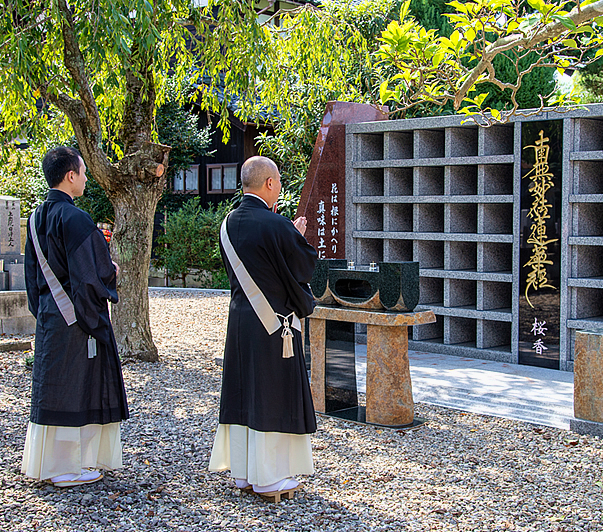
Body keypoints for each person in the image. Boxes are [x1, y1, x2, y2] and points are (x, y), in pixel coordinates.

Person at [209, 156, 317, 499]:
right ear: (269, 183)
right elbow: (301, 268)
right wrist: (296, 237)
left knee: (244, 392)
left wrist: (290, 237)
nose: (280, 186)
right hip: (275, 326)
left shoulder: (227, 223)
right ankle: (269, 479)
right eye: (279, 180)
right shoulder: (276, 224)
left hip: (241, 320)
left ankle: (243, 473)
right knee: (272, 394)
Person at [22, 147, 128, 487]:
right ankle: (67, 468)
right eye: (82, 173)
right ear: (70, 176)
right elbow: (90, 275)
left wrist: (44, 313)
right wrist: (109, 273)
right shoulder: (76, 218)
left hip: (52, 315)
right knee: (77, 388)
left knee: (53, 388)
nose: (84, 179)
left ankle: (49, 463)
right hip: (77, 319)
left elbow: (31, 273)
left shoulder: (36, 216)